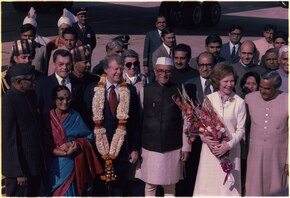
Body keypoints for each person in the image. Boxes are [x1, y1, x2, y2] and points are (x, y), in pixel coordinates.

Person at [85, 54, 140, 196]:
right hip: (99, 148)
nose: (119, 72)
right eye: (115, 69)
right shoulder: (93, 89)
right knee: (98, 189)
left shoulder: (130, 90)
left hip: (122, 149)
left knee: (120, 189)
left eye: (121, 69)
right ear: (106, 69)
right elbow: (86, 118)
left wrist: (134, 148)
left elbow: (135, 122)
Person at [136, 57, 191, 196]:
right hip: (149, 146)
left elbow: (187, 119)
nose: (164, 74)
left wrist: (186, 146)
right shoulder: (144, 90)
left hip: (173, 146)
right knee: (150, 185)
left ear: (172, 72)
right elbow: (138, 120)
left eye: (167, 71)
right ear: (155, 71)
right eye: (160, 71)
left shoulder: (179, 90)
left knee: (170, 186)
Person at [193, 63, 246, 196]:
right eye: (225, 81)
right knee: (208, 186)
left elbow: (241, 130)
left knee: (227, 189)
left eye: (232, 81)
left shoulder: (239, 102)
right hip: (210, 151)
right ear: (217, 81)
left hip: (230, 153)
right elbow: (202, 126)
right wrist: (204, 138)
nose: (229, 84)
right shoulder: (208, 100)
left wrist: (228, 145)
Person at [45, 85, 102, 196]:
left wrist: (74, 144)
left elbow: (88, 138)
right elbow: (44, 143)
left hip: (71, 163)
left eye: (68, 98)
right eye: (61, 99)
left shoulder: (75, 116)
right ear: (54, 99)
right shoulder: (47, 118)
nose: (65, 102)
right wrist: (64, 152)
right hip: (53, 166)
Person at [2, 63, 46, 196]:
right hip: (20, 172)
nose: (34, 81)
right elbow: (9, 139)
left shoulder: (30, 95)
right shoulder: (9, 100)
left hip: (34, 167)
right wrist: (17, 172)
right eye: (30, 79)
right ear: (18, 82)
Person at [245, 71, 288, 196]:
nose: (263, 91)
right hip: (255, 155)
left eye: (267, 89)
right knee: (254, 188)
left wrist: (288, 161)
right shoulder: (249, 98)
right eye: (261, 87)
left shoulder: (287, 99)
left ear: (276, 87)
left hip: (278, 156)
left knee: (276, 188)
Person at [69, 44, 99, 125]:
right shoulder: (68, 80)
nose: (89, 65)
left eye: (89, 61)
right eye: (85, 62)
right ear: (75, 63)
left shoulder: (96, 80)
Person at [143, 15, 167, 83]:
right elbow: (146, 50)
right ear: (156, 24)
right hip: (152, 65)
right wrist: (145, 65)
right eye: (159, 22)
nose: (161, 24)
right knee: (151, 83)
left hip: (165, 65)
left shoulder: (169, 35)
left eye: (163, 22)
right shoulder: (150, 34)